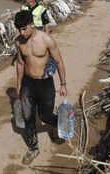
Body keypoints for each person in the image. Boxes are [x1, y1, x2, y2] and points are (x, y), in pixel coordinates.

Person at [14, 10, 68, 165]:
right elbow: (20, 63)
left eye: (24, 28)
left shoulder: (46, 39)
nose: (21, 32)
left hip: (45, 84)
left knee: (45, 115)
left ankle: (54, 121)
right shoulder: (18, 41)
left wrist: (63, 84)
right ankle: (33, 147)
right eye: (19, 29)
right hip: (27, 83)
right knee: (28, 116)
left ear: (32, 24)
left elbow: (59, 62)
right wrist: (18, 84)